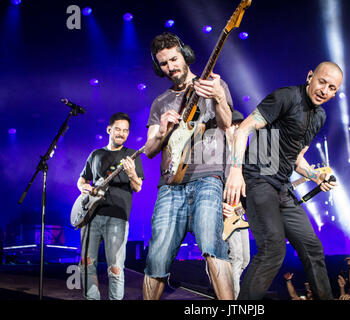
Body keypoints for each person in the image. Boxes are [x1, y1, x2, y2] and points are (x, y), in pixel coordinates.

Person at [224, 61, 343, 300]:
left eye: (332, 88)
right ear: (310, 76)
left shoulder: (319, 116)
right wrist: (236, 171)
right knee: (273, 250)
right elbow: (243, 129)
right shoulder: (286, 97)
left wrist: (317, 176)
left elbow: (297, 160)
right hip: (258, 178)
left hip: (282, 188)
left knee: (313, 249)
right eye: (322, 82)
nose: (325, 91)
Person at [142, 32, 234, 300]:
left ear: (185, 55)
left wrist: (217, 97)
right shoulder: (160, 102)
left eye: (174, 59)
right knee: (157, 254)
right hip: (170, 186)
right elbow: (148, 150)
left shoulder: (214, 84)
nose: (170, 67)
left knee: (211, 246)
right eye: (163, 64)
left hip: (208, 177)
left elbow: (228, 124)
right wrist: (161, 132)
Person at [77, 112, 144, 300]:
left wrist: (131, 173)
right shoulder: (96, 154)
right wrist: (83, 186)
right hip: (90, 216)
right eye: (117, 129)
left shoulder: (132, 156)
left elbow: (138, 187)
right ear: (109, 129)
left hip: (118, 217)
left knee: (115, 267)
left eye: (125, 131)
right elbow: (82, 179)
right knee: (86, 263)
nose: (121, 133)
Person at [222, 110, 250, 299]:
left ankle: (225, 290)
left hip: (239, 214)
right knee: (236, 257)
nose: (239, 130)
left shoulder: (244, 158)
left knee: (245, 259)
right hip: (223, 213)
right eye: (235, 126)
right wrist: (218, 205)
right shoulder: (219, 154)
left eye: (242, 127)